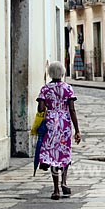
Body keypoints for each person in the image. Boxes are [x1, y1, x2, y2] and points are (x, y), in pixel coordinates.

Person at [36, 61, 81, 200]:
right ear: (62, 73)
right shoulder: (68, 88)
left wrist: (46, 104)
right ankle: (64, 182)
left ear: (49, 73)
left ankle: (56, 190)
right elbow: (72, 109)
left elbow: (41, 109)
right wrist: (77, 130)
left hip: (50, 122)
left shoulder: (45, 89)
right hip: (64, 123)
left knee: (53, 155)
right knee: (64, 152)